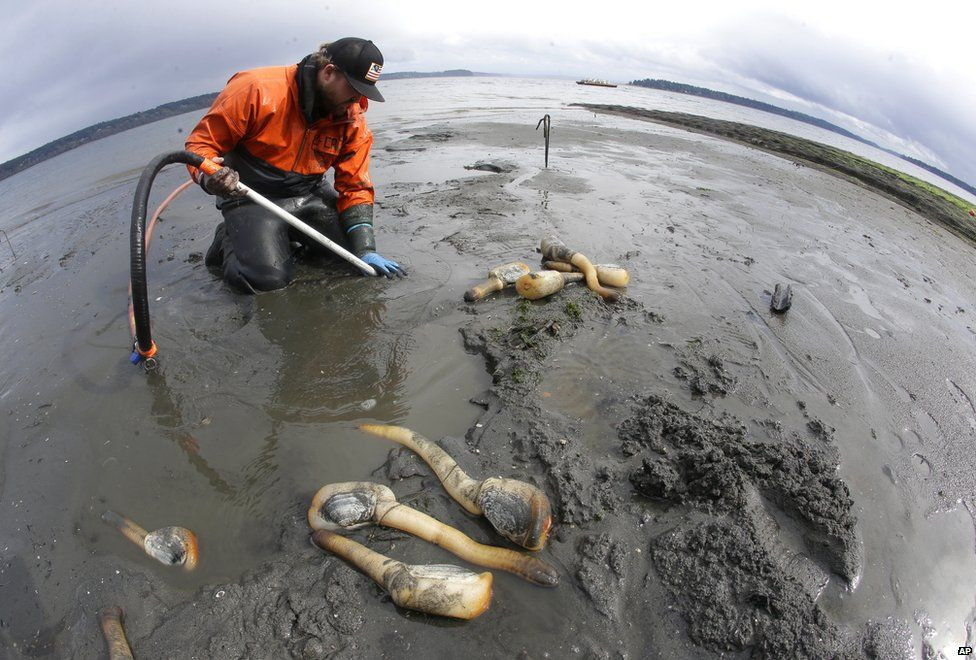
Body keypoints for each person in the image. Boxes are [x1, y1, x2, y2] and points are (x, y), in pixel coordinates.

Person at [185, 37, 406, 292]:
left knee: (351, 261)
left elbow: (355, 185)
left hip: (308, 192)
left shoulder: (351, 117)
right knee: (266, 281)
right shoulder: (256, 89)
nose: (357, 100)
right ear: (329, 72)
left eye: (364, 92)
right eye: (354, 88)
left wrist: (366, 249)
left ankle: (282, 237)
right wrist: (213, 176)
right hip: (251, 196)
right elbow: (199, 146)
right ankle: (229, 239)